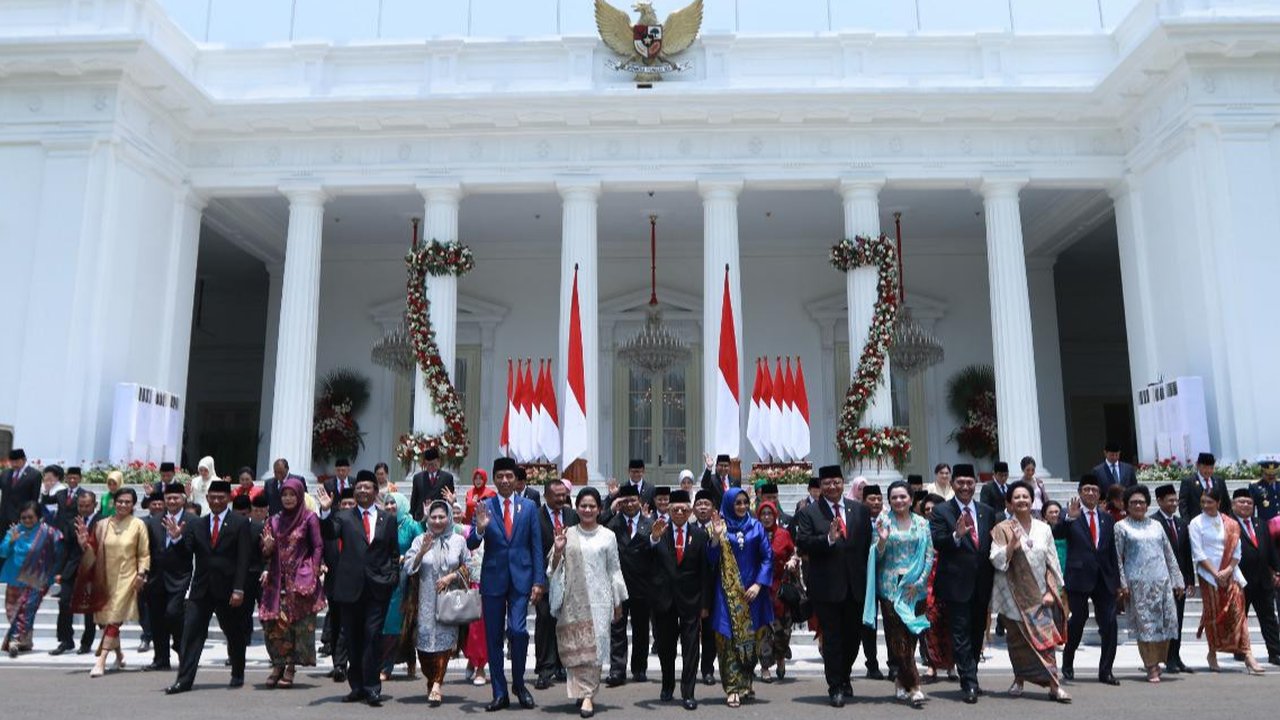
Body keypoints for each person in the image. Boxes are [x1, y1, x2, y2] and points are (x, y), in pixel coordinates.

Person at [467, 456, 547, 711]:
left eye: (509, 476)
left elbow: (536, 546)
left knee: (519, 631)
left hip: (521, 579)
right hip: (493, 579)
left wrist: (539, 580)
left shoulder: (529, 507)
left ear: (516, 479)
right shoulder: (485, 506)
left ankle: (519, 684)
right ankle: (499, 691)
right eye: (500, 476)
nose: (504, 480)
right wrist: (480, 529)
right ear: (494, 478)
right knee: (493, 637)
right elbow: (471, 543)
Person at [318, 470, 401, 706]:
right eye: (359, 487)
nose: (362, 490)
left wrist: (392, 577)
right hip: (350, 589)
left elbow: (393, 552)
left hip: (378, 589)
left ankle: (372, 687)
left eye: (367, 487)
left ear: (375, 491)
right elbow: (329, 533)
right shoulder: (343, 517)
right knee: (353, 639)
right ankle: (357, 687)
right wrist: (326, 511)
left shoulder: (387, 519)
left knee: (372, 637)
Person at [795, 464, 873, 708]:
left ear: (843, 483)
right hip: (826, 587)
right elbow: (803, 543)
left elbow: (866, 546)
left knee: (853, 638)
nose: (832, 486)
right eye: (827, 483)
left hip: (855, 586)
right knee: (832, 639)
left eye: (836, 482)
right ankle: (836, 686)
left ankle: (845, 674)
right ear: (820, 486)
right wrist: (827, 539)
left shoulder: (859, 510)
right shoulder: (809, 513)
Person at [165, 479, 252, 694]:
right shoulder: (198, 524)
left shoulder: (240, 523)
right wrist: (176, 539)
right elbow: (186, 553)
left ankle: (238, 672)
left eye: (221, 498)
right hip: (201, 589)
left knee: (233, 633)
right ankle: (184, 680)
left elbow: (243, 559)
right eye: (212, 497)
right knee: (191, 634)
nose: (216, 501)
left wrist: (239, 589)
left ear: (228, 499)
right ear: (207, 498)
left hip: (229, 590)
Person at [546, 487, 627, 718]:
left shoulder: (608, 536)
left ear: (599, 509)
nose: (588, 510)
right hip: (573, 600)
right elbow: (553, 568)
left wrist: (618, 602)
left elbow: (614, 569)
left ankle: (588, 695)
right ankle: (581, 691)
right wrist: (558, 551)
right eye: (583, 506)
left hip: (600, 600)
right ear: (577, 508)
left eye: (592, 506)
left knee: (595, 649)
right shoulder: (567, 533)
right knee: (576, 648)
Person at [989, 481, 1070, 703]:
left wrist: (1053, 591)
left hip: (1040, 595)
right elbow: (996, 560)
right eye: (1017, 497)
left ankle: (1054, 685)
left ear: (1032, 500)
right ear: (1009, 503)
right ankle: (1019, 679)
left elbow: (1052, 561)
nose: (1022, 500)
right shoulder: (1002, 529)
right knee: (1017, 643)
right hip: (1013, 597)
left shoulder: (1044, 528)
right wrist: (1011, 546)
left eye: (1025, 496)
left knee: (1046, 643)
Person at [929, 463, 996, 703]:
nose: (965, 487)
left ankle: (972, 673)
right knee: (960, 634)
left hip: (982, 583)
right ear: (952, 483)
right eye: (960, 482)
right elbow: (937, 541)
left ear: (975, 483)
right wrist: (956, 535)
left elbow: (991, 545)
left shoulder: (987, 511)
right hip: (956, 584)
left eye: (969, 482)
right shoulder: (941, 511)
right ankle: (969, 682)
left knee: (977, 633)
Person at [71, 487, 151, 677]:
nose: (123, 505)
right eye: (120, 501)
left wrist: (141, 574)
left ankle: (101, 660)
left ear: (133, 505)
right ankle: (119, 654)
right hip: (103, 577)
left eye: (127, 502)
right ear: (114, 503)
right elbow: (92, 552)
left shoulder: (138, 525)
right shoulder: (101, 525)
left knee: (114, 618)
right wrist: (84, 544)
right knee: (104, 621)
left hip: (127, 578)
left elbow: (144, 553)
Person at [705, 487, 773, 708]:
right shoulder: (718, 526)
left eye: (745, 502)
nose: (742, 506)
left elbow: (767, 557)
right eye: (738, 503)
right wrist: (716, 537)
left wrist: (759, 584)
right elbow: (710, 560)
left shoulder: (756, 526)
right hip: (726, 593)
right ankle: (733, 688)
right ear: (729, 504)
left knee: (752, 641)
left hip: (753, 594)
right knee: (727, 641)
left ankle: (746, 682)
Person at [259, 476, 325, 689]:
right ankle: (277, 665)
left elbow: (317, 546)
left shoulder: (309, 518)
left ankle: (291, 667)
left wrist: (314, 569)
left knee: (298, 626)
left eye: (292, 495)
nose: (288, 499)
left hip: (300, 580)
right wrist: (268, 547)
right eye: (284, 495)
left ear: (299, 496)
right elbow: (266, 551)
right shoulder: (273, 521)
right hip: (277, 580)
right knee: (275, 625)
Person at [1114, 484, 1185, 683]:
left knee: (1165, 624)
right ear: (1127, 505)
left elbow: (1168, 553)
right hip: (1138, 585)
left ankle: (1158, 661)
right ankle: (1151, 666)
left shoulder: (1156, 525)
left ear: (1147, 505)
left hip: (1162, 582)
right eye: (1134, 502)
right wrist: (1122, 583)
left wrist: (1177, 579)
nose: (1138, 506)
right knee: (1146, 627)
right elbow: (1117, 557)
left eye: (1142, 502)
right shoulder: (1121, 527)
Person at [1055, 474, 1121, 685]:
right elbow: (1057, 533)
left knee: (1109, 623)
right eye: (1086, 489)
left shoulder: (1107, 519)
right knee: (1078, 620)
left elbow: (1111, 551)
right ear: (1080, 492)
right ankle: (1068, 661)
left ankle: (1106, 671)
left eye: (1094, 490)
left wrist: (1117, 582)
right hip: (1079, 577)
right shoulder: (1070, 514)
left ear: (1100, 494)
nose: (1091, 493)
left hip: (1104, 578)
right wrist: (1069, 518)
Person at [1189, 489, 1265, 673]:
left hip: (1231, 573)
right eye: (1203, 502)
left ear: (1218, 503)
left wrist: (1228, 570)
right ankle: (1212, 652)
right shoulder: (1196, 523)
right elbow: (1198, 553)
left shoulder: (1230, 523)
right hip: (1209, 576)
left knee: (1238, 613)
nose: (1206, 506)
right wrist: (1216, 574)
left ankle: (1247, 654)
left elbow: (1237, 552)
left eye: (1210, 502)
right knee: (1214, 616)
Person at [649, 489, 711, 709]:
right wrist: (653, 539)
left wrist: (705, 604)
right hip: (664, 601)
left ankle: (688, 692)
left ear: (690, 511)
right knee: (666, 648)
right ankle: (667, 685)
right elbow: (646, 560)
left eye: (684, 509)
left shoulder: (700, 535)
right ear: (668, 510)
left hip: (691, 601)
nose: (679, 513)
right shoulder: (659, 532)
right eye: (675, 509)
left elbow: (705, 571)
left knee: (691, 649)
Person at [873, 481, 933, 707]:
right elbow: (876, 557)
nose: (898, 501)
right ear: (889, 500)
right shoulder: (883, 521)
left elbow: (929, 555)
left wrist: (919, 582)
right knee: (897, 637)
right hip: (891, 586)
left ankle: (900, 679)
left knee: (912, 635)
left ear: (911, 498)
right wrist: (882, 540)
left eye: (903, 497)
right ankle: (915, 686)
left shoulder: (922, 523)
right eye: (894, 497)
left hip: (915, 588)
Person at [405, 499, 469, 707]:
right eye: (434, 517)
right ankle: (431, 679)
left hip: (449, 601)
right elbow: (408, 567)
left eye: (442, 517)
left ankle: (437, 684)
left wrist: (451, 577)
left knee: (444, 645)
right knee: (424, 648)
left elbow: (469, 566)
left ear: (449, 518)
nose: (438, 521)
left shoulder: (459, 540)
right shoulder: (420, 540)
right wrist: (422, 551)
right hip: (425, 601)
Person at [143, 482, 195, 671]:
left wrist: (177, 538)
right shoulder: (153, 521)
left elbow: (191, 550)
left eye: (176, 498)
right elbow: (146, 550)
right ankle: (161, 659)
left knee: (173, 614)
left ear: (183, 499)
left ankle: (182, 651)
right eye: (169, 498)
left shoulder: (192, 521)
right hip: (156, 578)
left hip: (180, 578)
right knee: (157, 619)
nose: (172, 501)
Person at [605, 483, 653, 686]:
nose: (630, 504)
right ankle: (617, 670)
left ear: (639, 501)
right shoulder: (611, 525)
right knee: (617, 629)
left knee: (641, 629)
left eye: (633, 500)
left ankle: (639, 668)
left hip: (642, 586)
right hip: (618, 585)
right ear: (620, 503)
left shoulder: (650, 524)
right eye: (625, 501)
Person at [1, 501, 62, 657]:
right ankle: (25, 641)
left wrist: (56, 573)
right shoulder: (14, 531)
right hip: (14, 578)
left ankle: (14, 640)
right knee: (12, 611)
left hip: (37, 578)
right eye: (24, 517)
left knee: (27, 609)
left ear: (38, 517)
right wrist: (11, 541)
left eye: (30, 517)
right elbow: (2, 552)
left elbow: (58, 553)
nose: (27, 520)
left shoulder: (48, 533)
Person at [535, 480, 578, 689]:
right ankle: (545, 669)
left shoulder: (572, 515)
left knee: (565, 623)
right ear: (546, 496)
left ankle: (562, 665)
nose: (561, 498)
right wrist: (537, 580)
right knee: (545, 622)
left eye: (563, 495)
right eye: (557, 495)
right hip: (545, 578)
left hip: (568, 578)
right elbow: (533, 549)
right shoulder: (536, 516)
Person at [1230, 488, 1280, 665]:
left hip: (1263, 580)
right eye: (1242, 502)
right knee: (1239, 617)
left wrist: (1277, 570)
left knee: (1269, 618)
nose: (1246, 505)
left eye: (1249, 503)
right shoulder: (1229, 525)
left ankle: (1275, 652)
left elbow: (1271, 549)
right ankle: (1239, 650)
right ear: (1233, 504)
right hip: (1240, 580)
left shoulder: (1261, 523)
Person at [1152, 484, 1195, 673]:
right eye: (1170, 500)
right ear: (1160, 501)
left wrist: (1189, 580)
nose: (1174, 504)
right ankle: (1165, 658)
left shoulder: (1181, 523)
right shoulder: (1153, 523)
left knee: (1178, 619)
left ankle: (1176, 657)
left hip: (1180, 581)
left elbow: (1186, 553)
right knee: (1166, 621)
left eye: (1176, 500)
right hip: (1162, 580)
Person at [379, 491, 422, 681]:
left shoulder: (411, 525)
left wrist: (408, 556)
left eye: (393, 503)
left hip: (405, 581)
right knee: (387, 621)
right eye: (387, 504)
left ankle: (394, 665)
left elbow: (422, 546)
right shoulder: (382, 523)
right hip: (384, 577)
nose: (389, 507)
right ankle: (385, 664)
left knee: (401, 622)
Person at [51, 489, 98, 655]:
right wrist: (59, 571)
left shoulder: (102, 522)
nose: (83, 509)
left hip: (93, 569)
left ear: (95, 505)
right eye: (81, 506)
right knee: (64, 603)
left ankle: (86, 642)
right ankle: (66, 640)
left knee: (89, 608)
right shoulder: (72, 523)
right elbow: (65, 549)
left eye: (87, 506)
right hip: (72, 569)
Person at [756, 500, 797, 684]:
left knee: (783, 631)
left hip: (780, 589)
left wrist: (792, 561)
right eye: (763, 514)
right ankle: (765, 667)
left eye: (769, 514)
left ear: (775, 515)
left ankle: (780, 657)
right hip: (761, 589)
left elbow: (794, 553)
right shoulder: (754, 534)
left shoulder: (783, 534)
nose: (766, 517)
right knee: (763, 630)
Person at [916, 493, 954, 681]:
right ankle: (931, 665)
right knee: (929, 626)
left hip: (947, 580)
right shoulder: (918, 529)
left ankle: (951, 665)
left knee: (949, 624)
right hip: (926, 583)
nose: (931, 512)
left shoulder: (949, 527)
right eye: (927, 510)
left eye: (934, 509)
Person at [453, 502, 489, 687]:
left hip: (490, 586)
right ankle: (471, 659)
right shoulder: (466, 532)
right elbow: (449, 524)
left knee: (481, 629)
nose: (480, 516)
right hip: (468, 586)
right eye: (477, 513)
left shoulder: (495, 533)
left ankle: (481, 666)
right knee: (469, 629)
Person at [692, 489, 719, 685]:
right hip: (691, 588)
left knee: (709, 632)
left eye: (706, 504)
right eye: (699, 504)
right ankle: (691, 668)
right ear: (693, 508)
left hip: (714, 586)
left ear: (713, 509)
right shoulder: (688, 528)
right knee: (691, 633)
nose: (702, 508)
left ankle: (708, 669)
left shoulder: (720, 529)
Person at [0, 450, 41, 558]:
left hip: (21, 518)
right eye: (11, 462)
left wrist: (31, 518)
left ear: (24, 460)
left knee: (17, 548)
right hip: (3, 518)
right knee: (3, 545)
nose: (14, 464)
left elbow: (34, 499)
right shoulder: (5, 473)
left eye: (16, 462)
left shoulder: (34, 475)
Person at [1179, 452, 1230, 521]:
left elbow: (1226, 503)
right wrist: (1187, 523)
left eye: (1211, 468)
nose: (1208, 471)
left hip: (1218, 521)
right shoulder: (1189, 482)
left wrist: (1227, 520)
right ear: (1197, 465)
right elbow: (1183, 505)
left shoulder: (1219, 481)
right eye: (1205, 467)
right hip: (1197, 522)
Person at [410, 447, 456, 521]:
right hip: (421, 517)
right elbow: (414, 500)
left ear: (439, 462)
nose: (430, 467)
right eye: (428, 464)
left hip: (440, 517)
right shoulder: (418, 478)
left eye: (433, 464)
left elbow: (451, 498)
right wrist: (411, 517)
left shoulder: (447, 478)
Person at [1249, 455, 1280, 523]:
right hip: (1265, 524)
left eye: (1274, 474)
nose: (1271, 477)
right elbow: (1251, 509)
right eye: (1268, 474)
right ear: (1262, 472)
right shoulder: (1255, 486)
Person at [1042, 500, 1068, 578]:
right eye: (1051, 512)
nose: (1054, 515)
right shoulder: (1041, 530)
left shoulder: (1068, 527)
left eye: (1057, 512)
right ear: (1045, 515)